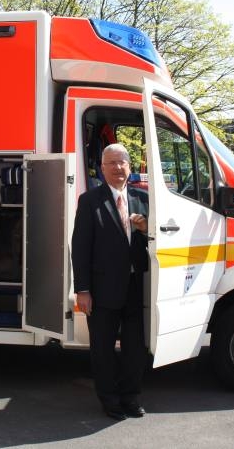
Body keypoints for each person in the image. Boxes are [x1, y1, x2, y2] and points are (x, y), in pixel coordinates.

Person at [71, 143, 149, 421]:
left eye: (122, 162)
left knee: (135, 349)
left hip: (135, 288)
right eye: (111, 163)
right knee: (102, 350)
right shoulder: (90, 200)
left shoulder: (143, 199)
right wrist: (82, 290)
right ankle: (110, 400)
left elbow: (159, 240)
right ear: (102, 169)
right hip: (101, 290)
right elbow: (80, 247)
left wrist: (146, 228)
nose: (118, 168)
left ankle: (130, 396)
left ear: (130, 166)